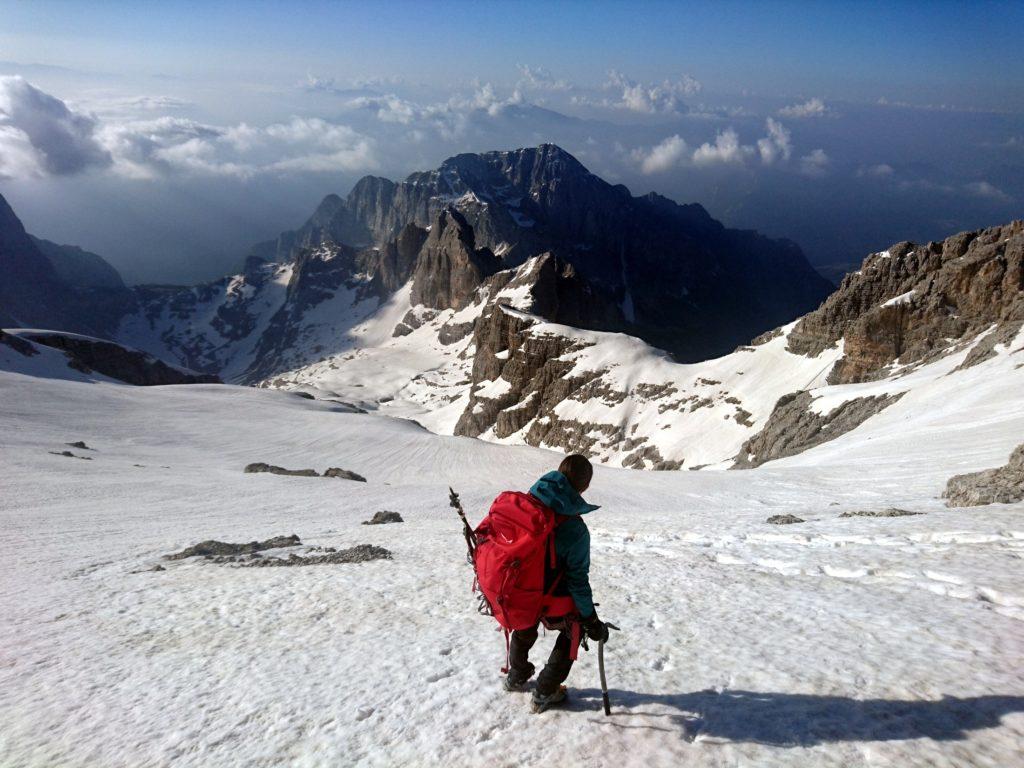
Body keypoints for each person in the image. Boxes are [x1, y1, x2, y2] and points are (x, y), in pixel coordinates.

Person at [504, 453, 611, 713]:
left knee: (526, 621)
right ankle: (546, 689)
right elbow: (577, 582)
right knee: (573, 627)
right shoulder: (575, 530)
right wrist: (592, 620)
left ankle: (516, 674)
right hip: (551, 597)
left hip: (521, 590)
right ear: (584, 486)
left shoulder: (528, 506)